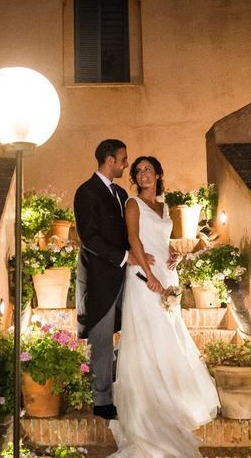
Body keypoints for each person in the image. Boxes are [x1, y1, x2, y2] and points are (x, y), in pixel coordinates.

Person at [109, 156, 220, 457]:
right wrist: (151, 274)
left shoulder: (165, 206)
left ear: (158, 173)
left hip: (168, 275)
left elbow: (161, 236)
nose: (143, 174)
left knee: (170, 335)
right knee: (150, 336)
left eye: (148, 169)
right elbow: (134, 239)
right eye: (138, 171)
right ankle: (150, 411)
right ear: (135, 178)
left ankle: (170, 401)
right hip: (145, 277)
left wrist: (173, 251)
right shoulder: (132, 204)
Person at [74, 139, 149, 420]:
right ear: (109, 160)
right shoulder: (86, 192)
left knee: (133, 331)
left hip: (126, 276)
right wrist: (123, 257)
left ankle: (123, 383)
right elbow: (89, 238)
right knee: (102, 338)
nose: (126, 164)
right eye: (123, 159)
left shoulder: (119, 193)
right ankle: (102, 400)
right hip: (100, 278)